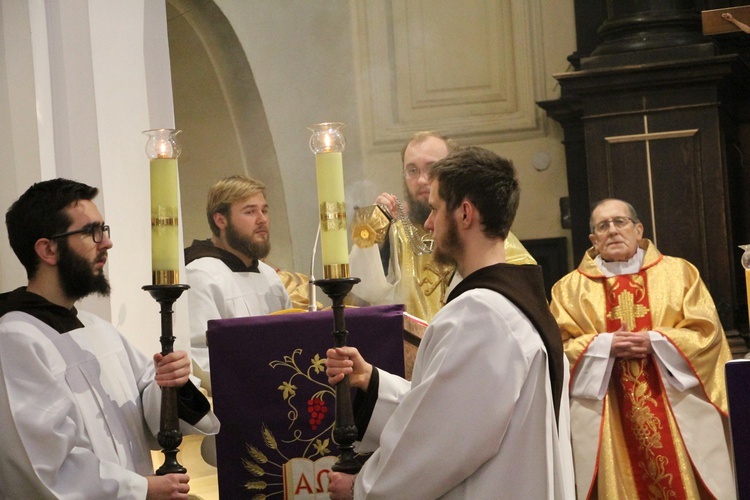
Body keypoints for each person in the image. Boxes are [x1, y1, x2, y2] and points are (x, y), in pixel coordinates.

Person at [326, 147, 572, 499]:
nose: (428, 223)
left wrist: (363, 487)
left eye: (438, 209)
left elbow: (442, 442)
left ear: (465, 214)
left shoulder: (481, 315)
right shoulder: (515, 303)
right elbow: (448, 409)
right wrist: (373, 381)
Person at [0, 178, 219, 499]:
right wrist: (140, 488)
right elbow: (42, 466)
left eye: (105, 230)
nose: (106, 243)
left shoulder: (97, 329)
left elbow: (148, 409)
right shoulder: (16, 340)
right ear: (48, 249)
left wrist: (171, 382)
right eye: (91, 232)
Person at [549, 198, 735, 499]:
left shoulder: (680, 273)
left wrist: (656, 341)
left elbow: (707, 335)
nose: (612, 231)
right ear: (593, 240)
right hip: (610, 416)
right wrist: (604, 345)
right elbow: (557, 350)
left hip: (674, 407)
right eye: (602, 226)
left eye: (619, 222)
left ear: (638, 229)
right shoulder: (568, 290)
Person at [349, 131, 536, 323]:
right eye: (412, 170)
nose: (422, 180)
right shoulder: (395, 233)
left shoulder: (483, 234)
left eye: (432, 168)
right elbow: (362, 294)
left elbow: (520, 300)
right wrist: (376, 231)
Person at [184, 175, 291, 381]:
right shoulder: (200, 275)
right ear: (220, 220)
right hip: (239, 398)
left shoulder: (269, 276)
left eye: (264, 210)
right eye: (250, 211)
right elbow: (199, 356)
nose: (262, 220)